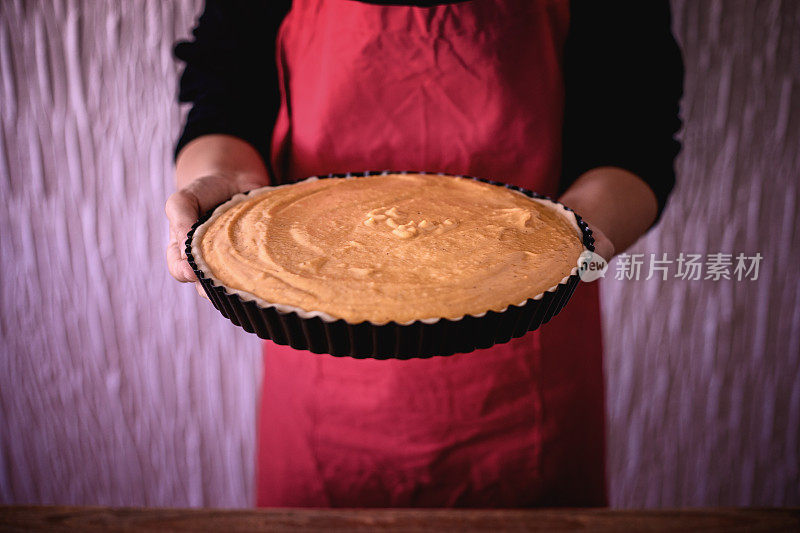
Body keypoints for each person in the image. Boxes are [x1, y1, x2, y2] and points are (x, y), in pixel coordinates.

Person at [166, 0, 683, 507]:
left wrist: (578, 230)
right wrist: (225, 183)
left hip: (527, 372)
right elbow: (224, 91)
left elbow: (634, 137)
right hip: (318, 363)